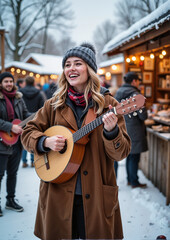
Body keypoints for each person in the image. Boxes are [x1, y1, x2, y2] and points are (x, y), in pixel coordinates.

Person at [21, 43, 131, 240]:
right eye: (67, 64)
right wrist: (44, 142)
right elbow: (27, 132)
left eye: (77, 63)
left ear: (90, 69)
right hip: (58, 193)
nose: (71, 68)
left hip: (96, 195)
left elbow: (120, 153)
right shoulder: (53, 104)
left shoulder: (109, 105)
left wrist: (112, 132)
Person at [0, 72, 30, 216]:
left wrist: (40, 113)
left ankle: (10, 200)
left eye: (11, 81)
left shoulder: (19, 98)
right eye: (6, 81)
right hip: (1, 143)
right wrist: (10, 127)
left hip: (16, 143)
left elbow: (24, 115)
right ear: (1, 83)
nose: (9, 84)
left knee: (13, 173)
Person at [114, 71, 148, 187]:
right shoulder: (135, 94)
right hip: (135, 130)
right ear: (134, 81)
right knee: (134, 157)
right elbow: (143, 115)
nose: (139, 83)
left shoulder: (119, 92)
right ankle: (134, 181)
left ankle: (130, 179)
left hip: (123, 128)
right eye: (138, 81)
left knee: (129, 155)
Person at [20, 76, 45, 167]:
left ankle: (24, 161)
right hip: (35, 119)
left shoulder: (20, 93)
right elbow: (42, 107)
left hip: (23, 119)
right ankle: (33, 161)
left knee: (24, 138)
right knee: (33, 137)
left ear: (25, 82)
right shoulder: (39, 93)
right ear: (34, 83)